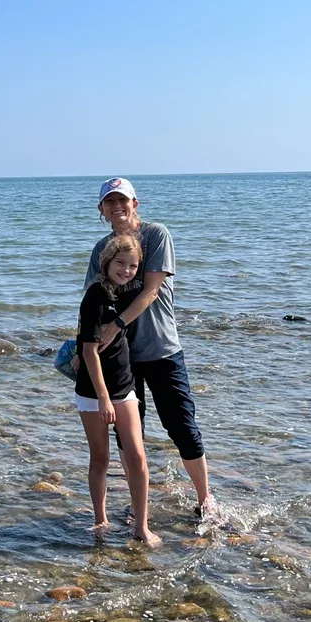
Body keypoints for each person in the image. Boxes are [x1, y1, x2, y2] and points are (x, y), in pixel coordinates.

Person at [85, 177, 219, 524]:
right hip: (121, 361)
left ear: (135, 203)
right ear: (101, 210)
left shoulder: (156, 234)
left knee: (182, 427)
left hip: (161, 350)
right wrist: (85, 347)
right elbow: (92, 302)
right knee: (131, 439)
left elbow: (151, 292)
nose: (117, 206)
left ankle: (206, 500)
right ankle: (137, 507)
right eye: (110, 201)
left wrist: (117, 326)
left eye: (123, 200)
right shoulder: (101, 250)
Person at [74, 232, 162, 547]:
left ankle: (141, 526)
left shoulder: (126, 291)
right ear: (107, 262)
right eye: (120, 263)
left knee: (137, 456)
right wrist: (102, 400)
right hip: (92, 393)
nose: (126, 270)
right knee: (101, 458)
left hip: (124, 388)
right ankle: (100, 520)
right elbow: (88, 352)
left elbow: (152, 290)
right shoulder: (96, 294)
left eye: (133, 265)